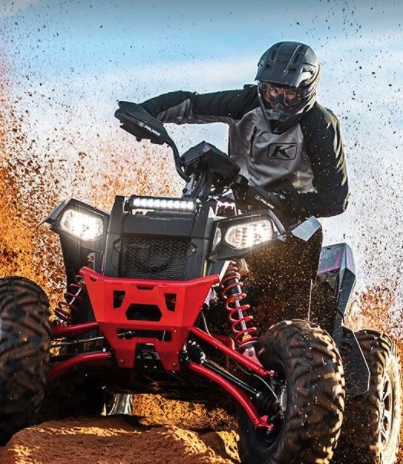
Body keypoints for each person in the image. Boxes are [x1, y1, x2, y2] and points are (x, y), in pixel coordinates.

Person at [121, 41, 350, 326]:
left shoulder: (320, 124)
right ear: (262, 86)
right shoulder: (244, 103)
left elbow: (336, 198)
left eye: (288, 93)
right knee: (183, 218)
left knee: (302, 244)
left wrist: (285, 200)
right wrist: (146, 113)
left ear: (306, 90)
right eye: (272, 90)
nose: (278, 100)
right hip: (235, 204)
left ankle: (295, 335)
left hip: (291, 216)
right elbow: (190, 104)